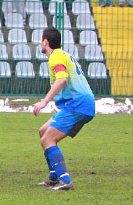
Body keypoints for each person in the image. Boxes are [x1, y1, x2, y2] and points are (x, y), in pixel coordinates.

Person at [30, 27, 95, 191]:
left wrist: (44, 101)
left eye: (41, 40)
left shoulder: (56, 57)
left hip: (77, 104)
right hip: (78, 103)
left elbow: (62, 80)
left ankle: (65, 181)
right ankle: (53, 177)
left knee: (48, 140)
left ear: (45, 42)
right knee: (43, 132)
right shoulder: (63, 55)